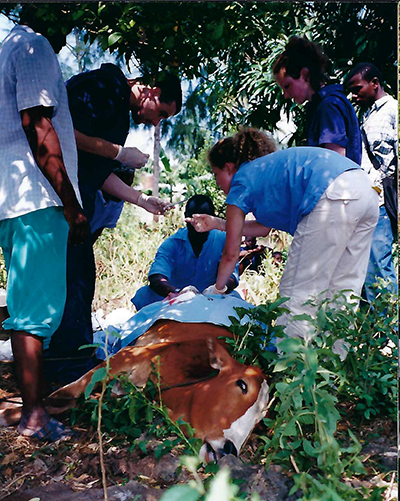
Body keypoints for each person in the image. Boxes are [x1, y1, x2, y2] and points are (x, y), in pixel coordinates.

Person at [44, 66, 182, 383]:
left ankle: (68, 362)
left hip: (76, 207)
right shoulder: (104, 88)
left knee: (79, 279)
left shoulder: (117, 104)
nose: (155, 122)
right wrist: (119, 152)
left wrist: (142, 200)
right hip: (54, 202)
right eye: (160, 112)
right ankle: (64, 368)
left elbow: (97, 170)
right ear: (151, 91)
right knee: (72, 282)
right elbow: (58, 131)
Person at [186, 128, 379, 339]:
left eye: (216, 175)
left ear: (229, 167)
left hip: (332, 193)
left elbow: (231, 253)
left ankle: (291, 366)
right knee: (343, 290)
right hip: (364, 190)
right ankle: (335, 364)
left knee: (297, 292)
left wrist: (217, 289)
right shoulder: (264, 171)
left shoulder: (241, 179)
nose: (216, 183)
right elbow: (262, 228)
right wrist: (217, 223)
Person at [0, 17, 90, 438]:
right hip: (38, 199)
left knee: (26, 306)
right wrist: (71, 205)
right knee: (35, 312)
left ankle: (34, 407)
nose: (69, 22)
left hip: (13, 202)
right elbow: (38, 125)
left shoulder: (6, 48)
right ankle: (34, 415)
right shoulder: (34, 46)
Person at [345, 63, 398, 302]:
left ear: (375, 83)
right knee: (365, 267)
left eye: (357, 89)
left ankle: (390, 333)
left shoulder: (393, 110)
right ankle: (375, 331)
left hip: (382, 200)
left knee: (380, 266)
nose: (354, 95)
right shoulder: (365, 113)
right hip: (366, 200)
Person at [132, 195, 240, 311]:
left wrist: (217, 290)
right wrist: (179, 293)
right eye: (192, 217)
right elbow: (157, 277)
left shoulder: (225, 240)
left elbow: (232, 277)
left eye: (203, 218)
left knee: (239, 305)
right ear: (185, 217)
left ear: (213, 218)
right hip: (174, 300)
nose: (198, 223)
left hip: (214, 299)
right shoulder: (172, 244)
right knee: (144, 296)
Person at [273, 36, 361, 164]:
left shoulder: (329, 106)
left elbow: (335, 162)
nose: (286, 95)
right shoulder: (320, 106)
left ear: (304, 75)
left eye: (287, 86)